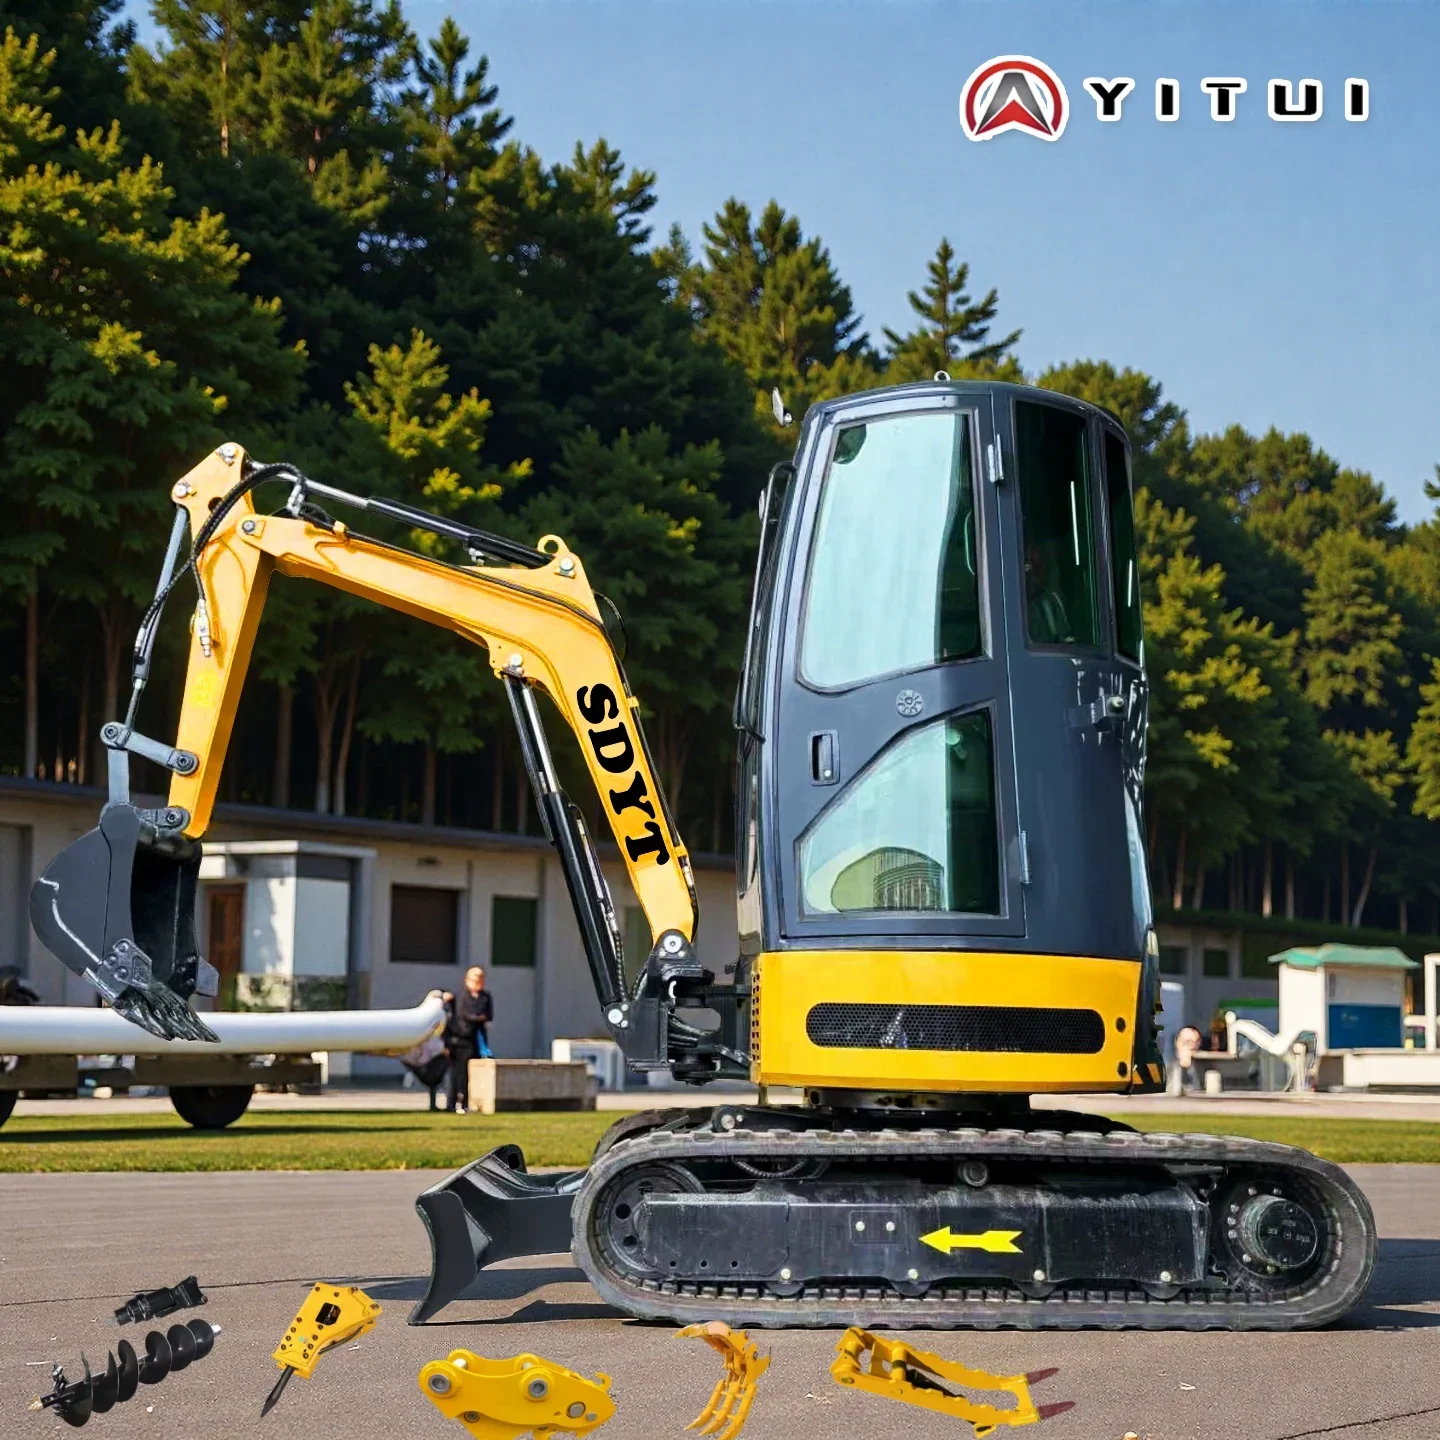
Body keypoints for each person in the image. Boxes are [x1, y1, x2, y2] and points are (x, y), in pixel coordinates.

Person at [442, 966, 494, 1115]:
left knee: (471, 1074)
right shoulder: (459, 997)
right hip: (459, 1040)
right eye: (475, 980)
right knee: (458, 1073)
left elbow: (488, 1016)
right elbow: (464, 1015)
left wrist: (478, 1018)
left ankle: (466, 1102)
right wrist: (478, 1017)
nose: (478, 984)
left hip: (475, 1039)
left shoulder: (485, 997)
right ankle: (454, 1103)